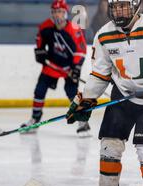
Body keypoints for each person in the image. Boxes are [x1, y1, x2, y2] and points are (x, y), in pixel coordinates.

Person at [65, 0, 143, 186]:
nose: (118, 12)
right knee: (109, 147)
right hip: (122, 96)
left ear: (136, 7)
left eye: (124, 6)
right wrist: (84, 99)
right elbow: (100, 74)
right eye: (115, 7)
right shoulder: (104, 35)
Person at [22, 0, 88, 136]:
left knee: (71, 92)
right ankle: (35, 119)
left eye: (59, 12)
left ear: (65, 13)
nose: (57, 15)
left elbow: (81, 51)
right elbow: (39, 42)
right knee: (39, 90)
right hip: (52, 65)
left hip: (69, 66)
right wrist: (40, 52)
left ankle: (83, 122)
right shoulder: (45, 27)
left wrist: (76, 68)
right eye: (54, 12)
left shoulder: (74, 29)